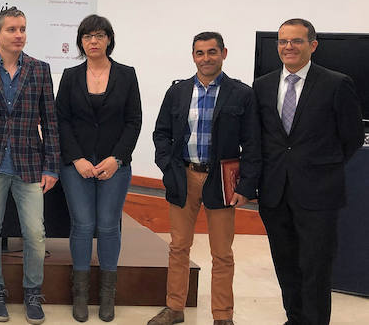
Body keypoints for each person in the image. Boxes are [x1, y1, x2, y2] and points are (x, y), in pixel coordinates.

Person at [254, 18, 363, 325]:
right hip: (275, 192)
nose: (288, 47)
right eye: (283, 41)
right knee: (286, 264)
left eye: (296, 41)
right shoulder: (262, 86)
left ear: (313, 45)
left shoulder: (336, 83)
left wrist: (320, 165)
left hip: (319, 192)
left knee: (315, 266)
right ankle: (295, 318)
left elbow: (352, 136)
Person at [149, 32, 260, 325]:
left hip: (221, 180)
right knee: (178, 247)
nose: (206, 58)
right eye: (200, 53)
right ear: (193, 55)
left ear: (224, 53)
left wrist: (246, 185)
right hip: (183, 176)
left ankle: (223, 316)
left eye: (212, 52)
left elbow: (252, 143)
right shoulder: (178, 91)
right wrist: (167, 167)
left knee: (222, 252)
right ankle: (174, 308)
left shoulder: (241, 94)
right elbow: (161, 133)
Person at [0, 7, 58, 324]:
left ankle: (32, 292)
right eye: (12, 29)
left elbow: (51, 123)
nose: (19, 35)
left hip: (29, 163)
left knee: (35, 233)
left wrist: (51, 166)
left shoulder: (40, 70)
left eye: (23, 29)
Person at [55, 14, 141, 322]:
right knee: (82, 225)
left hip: (114, 165)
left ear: (109, 39)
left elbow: (134, 122)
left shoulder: (127, 75)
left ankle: (107, 296)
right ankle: (79, 295)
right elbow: (60, 120)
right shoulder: (69, 75)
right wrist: (76, 158)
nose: (93, 41)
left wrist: (116, 158)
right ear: (80, 41)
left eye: (99, 35)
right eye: (87, 36)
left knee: (107, 225)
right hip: (75, 164)